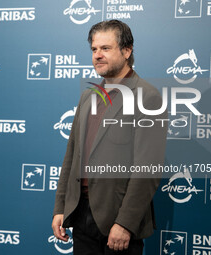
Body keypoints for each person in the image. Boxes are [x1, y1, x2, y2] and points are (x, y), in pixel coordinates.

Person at [52, 20, 168, 255]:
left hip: (118, 221)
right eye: (94, 49)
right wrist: (61, 207)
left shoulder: (147, 97)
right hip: (81, 215)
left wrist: (125, 223)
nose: (97, 55)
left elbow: (147, 169)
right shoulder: (88, 96)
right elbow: (72, 156)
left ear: (127, 51)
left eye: (106, 48)